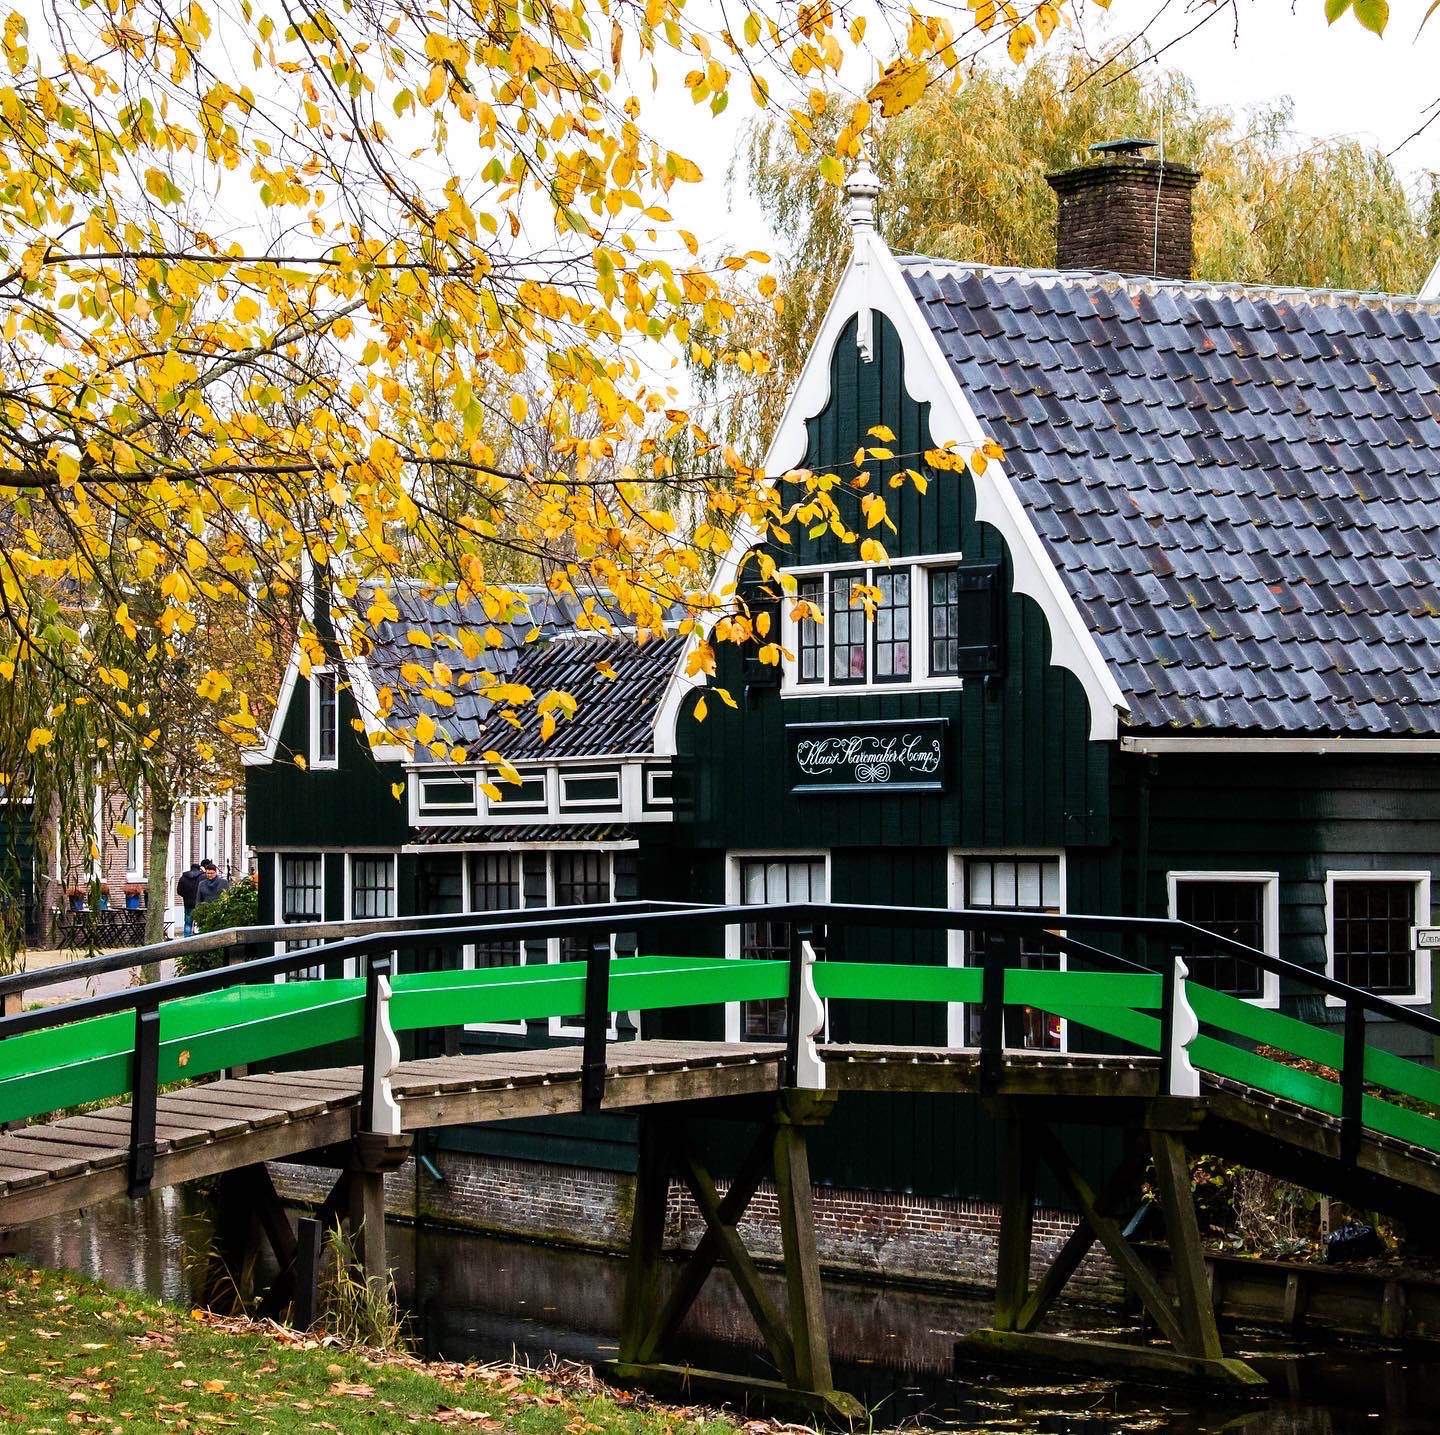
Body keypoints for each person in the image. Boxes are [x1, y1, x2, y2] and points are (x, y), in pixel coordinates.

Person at [177, 861, 202, 937]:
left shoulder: (183, 878)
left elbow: (179, 891)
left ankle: (186, 939)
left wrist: (186, 896)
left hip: (187, 904)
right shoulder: (202, 877)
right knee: (200, 922)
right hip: (199, 903)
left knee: (188, 923)